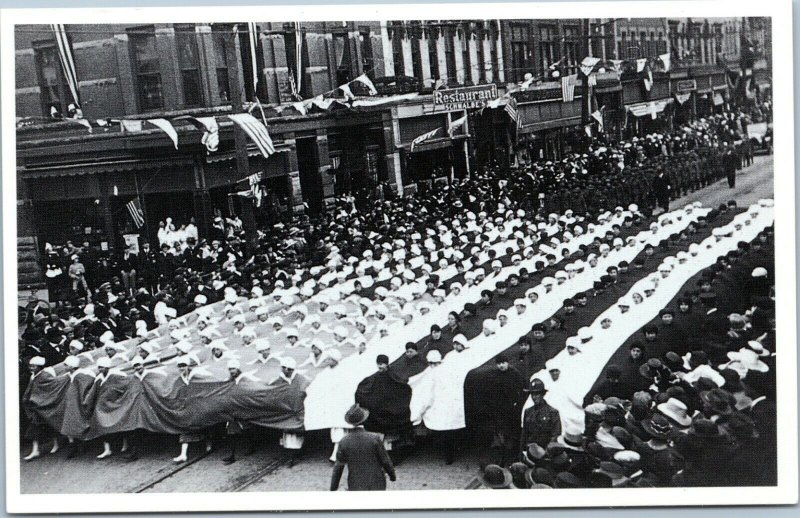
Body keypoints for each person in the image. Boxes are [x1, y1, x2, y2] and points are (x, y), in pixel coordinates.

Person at [330, 404, 396, 491]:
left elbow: (338, 467)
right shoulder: (374, 438)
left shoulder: (344, 441)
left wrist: (333, 488)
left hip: (355, 484)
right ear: (364, 420)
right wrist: (392, 475)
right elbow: (385, 460)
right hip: (377, 482)